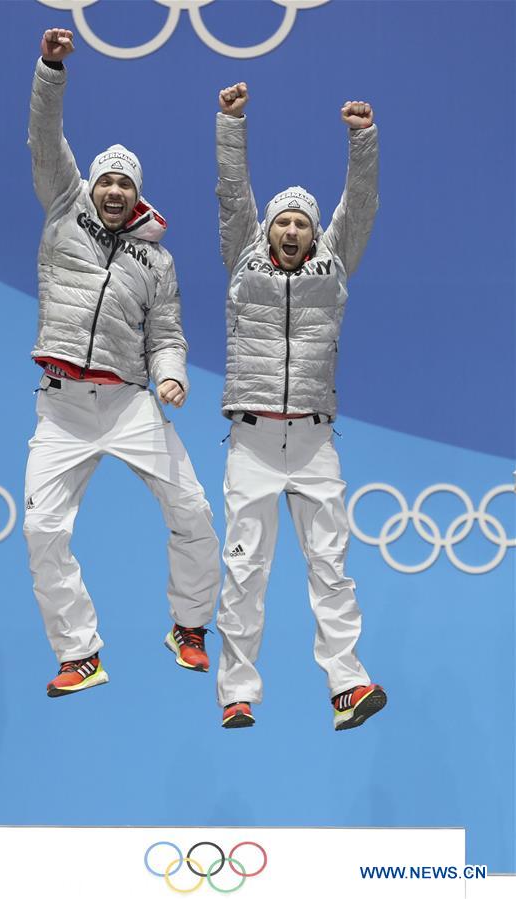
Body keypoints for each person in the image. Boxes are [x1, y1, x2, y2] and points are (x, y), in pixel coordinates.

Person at [23, 28, 220, 698]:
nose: (111, 191)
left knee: (191, 508)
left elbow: (166, 331)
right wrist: (51, 67)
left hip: (129, 402)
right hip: (62, 406)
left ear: (136, 194)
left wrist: (170, 374)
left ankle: (189, 626)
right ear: (90, 185)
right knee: (41, 528)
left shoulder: (154, 259)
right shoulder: (62, 206)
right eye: (104, 179)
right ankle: (79, 654)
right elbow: (45, 136)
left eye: (123, 184)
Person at [214, 82, 386, 730]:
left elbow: (360, 204)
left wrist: (361, 139)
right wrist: (230, 121)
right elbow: (233, 196)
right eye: (282, 221)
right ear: (268, 230)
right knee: (245, 571)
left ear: (314, 232)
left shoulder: (333, 265)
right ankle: (236, 692)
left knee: (331, 569)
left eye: (301, 223)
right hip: (253, 440)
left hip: (313, 440)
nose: (290, 229)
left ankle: (346, 685)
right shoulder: (243, 262)